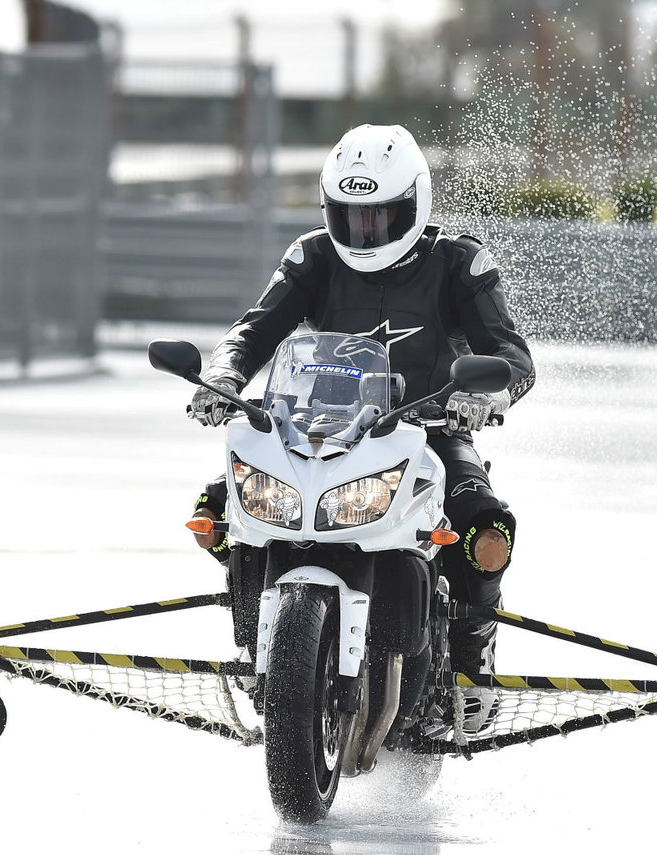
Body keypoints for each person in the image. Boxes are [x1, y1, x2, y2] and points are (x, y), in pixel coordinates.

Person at [187, 123, 535, 683]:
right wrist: (221, 375)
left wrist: (485, 395)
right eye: (350, 213)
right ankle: (262, 641)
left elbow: (512, 355)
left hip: (430, 432)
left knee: (486, 534)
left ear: (414, 204)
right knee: (216, 513)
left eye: (380, 214)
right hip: (315, 430)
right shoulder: (312, 258)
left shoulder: (459, 264)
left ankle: (474, 660)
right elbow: (253, 332)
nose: (364, 228)